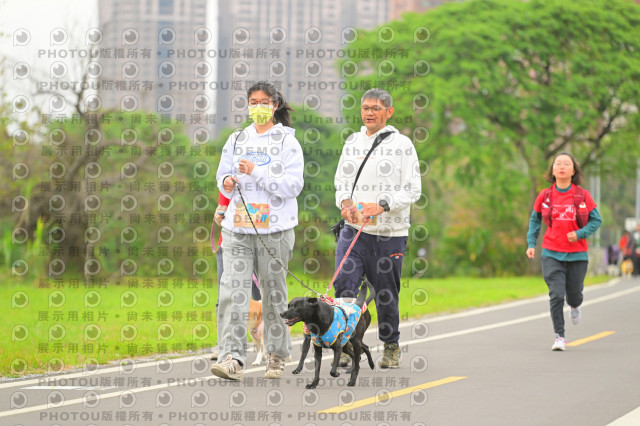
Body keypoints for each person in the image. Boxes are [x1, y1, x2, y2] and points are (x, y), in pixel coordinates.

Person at [211, 81, 303, 380]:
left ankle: (276, 354)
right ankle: (232, 358)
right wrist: (226, 182)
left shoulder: (287, 142)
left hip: (274, 230)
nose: (258, 107)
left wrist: (257, 172)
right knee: (232, 293)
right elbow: (222, 175)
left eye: (264, 102)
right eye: (253, 102)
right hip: (237, 227)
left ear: (275, 105)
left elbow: (293, 186)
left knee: (273, 295)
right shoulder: (237, 139)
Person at [333, 88, 421, 368]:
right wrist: (345, 203)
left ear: (389, 112)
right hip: (353, 232)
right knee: (344, 287)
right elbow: (341, 182)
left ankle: (391, 345)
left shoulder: (403, 145)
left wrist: (383, 205)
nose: (369, 113)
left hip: (389, 235)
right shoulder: (352, 141)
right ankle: (346, 345)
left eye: (375, 108)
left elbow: (413, 189)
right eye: (365, 108)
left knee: (385, 293)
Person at [526, 152, 602, 351]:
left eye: (566, 164)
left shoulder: (582, 195)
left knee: (574, 295)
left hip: (577, 254)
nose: (561, 166)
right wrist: (531, 244)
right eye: (558, 163)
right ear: (552, 170)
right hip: (551, 252)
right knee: (556, 295)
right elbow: (535, 219)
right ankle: (559, 336)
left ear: (573, 170)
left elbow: (596, 220)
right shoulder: (545, 195)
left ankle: (575, 306)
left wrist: (580, 234)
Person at [210, 190, 261, 361]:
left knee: (262, 294)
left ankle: (271, 343)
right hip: (228, 243)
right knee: (225, 295)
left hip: (258, 237)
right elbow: (222, 203)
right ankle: (224, 346)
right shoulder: (228, 179)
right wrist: (220, 211)